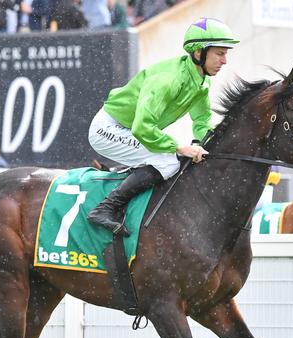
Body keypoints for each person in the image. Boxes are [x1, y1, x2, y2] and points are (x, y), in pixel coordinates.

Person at [86, 17, 238, 236]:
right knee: (167, 161)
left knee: (173, 158)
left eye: (226, 53)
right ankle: (105, 208)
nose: (225, 60)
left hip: (129, 129)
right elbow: (142, 127)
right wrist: (180, 147)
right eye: (220, 53)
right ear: (198, 53)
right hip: (108, 129)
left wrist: (202, 145)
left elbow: (201, 120)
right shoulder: (169, 79)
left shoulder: (201, 81)